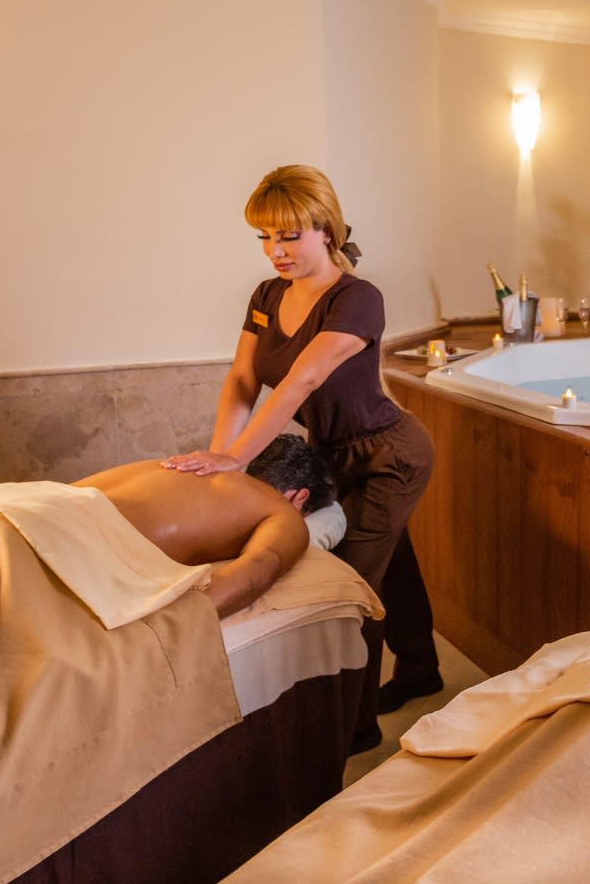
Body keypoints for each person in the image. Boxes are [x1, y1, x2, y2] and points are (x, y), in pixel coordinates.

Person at [162, 165, 440, 750]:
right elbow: (244, 379)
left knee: (349, 585)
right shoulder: (267, 296)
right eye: (265, 237)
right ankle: (422, 671)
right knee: (392, 561)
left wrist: (235, 460)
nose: (276, 251)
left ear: (326, 230)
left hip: (390, 453)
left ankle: (354, 728)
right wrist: (221, 455)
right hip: (329, 452)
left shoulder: (357, 298)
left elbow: (302, 381)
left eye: (289, 236)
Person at [76, 433, 332, 618]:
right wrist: (171, 625)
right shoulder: (284, 512)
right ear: (301, 497)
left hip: (60, 501)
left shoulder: (201, 468)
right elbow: (259, 567)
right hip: (85, 545)